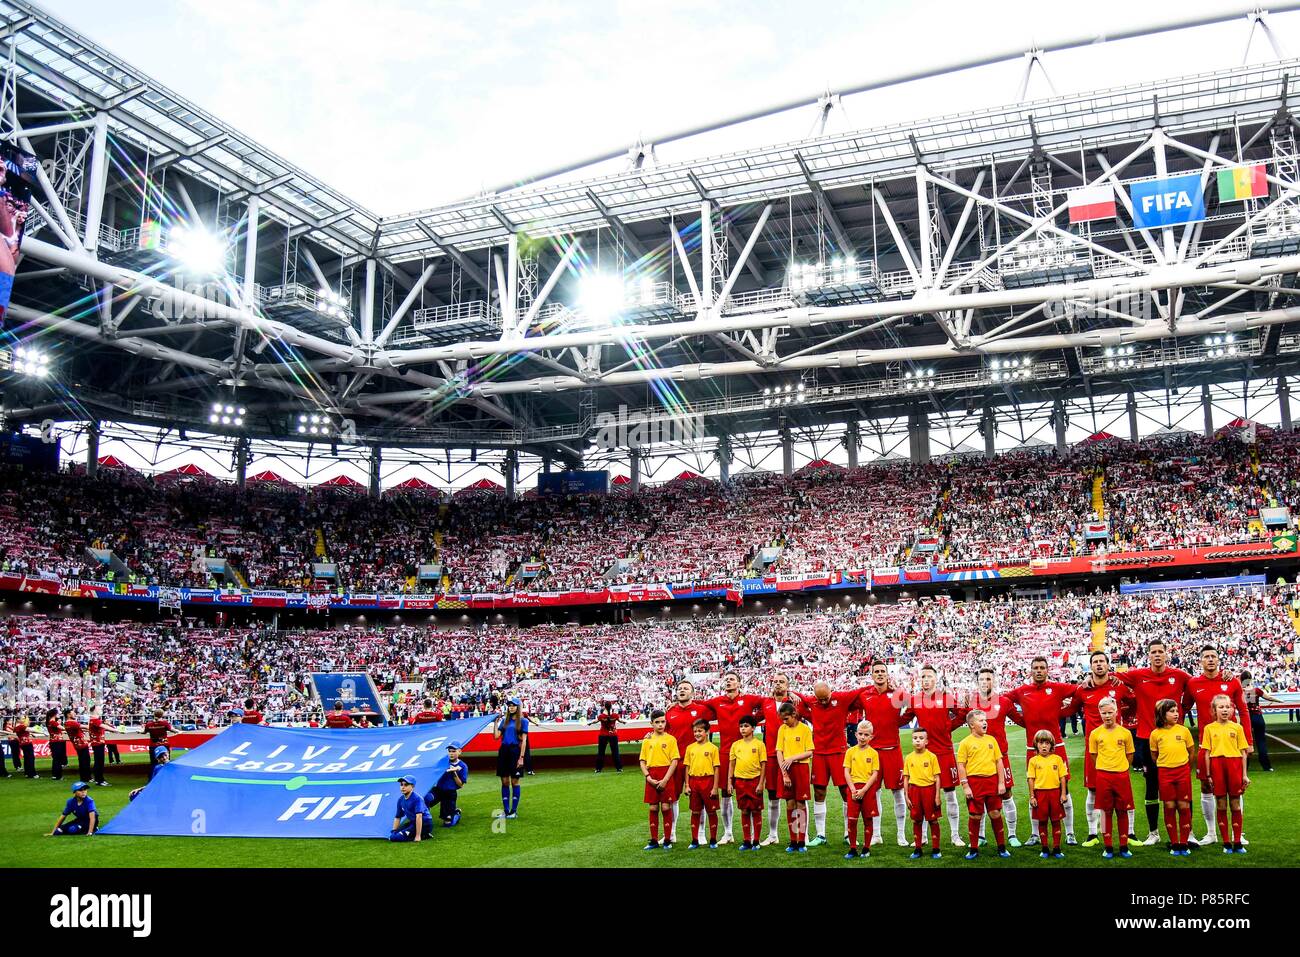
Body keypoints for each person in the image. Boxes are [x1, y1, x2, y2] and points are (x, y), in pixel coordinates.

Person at [1111, 638, 1192, 844]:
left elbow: (1196, 686)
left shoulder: (1179, 675)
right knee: (1152, 786)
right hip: (1147, 738)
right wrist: (1088, 679)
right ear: (1149, 655)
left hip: (1174, 739)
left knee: (1182, 787)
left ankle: (1188, 833)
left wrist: (1183, 710)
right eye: (1153, 652)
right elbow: (1110, 675)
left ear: (1166, 654)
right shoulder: (1138, 675)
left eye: (1160, 651)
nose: (1157, 655)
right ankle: (1153, 832)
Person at [1183, 646, 1253, 846]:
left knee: (1236, 787)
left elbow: (1243, 710)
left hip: (1230, 743)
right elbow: (1183, 707)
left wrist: (1248, 741)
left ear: (1219, 660)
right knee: (1206, 785)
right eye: (1206, 657)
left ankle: (1237, 834)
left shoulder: (1231, 680)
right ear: (1201, 661)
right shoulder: (1193, 683)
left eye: (1213, 656)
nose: (1210, 660)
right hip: (1207, 743)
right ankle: (1211, 833)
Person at [1008, 656, 1079, 845]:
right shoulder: (1022, 691)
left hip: (1057, 749)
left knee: (1065, 788)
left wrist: (1064, 712)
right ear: (1030, 671)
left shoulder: (1057, 688)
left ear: (1047, 670)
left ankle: (1070, 832)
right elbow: (1004, 701)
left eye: (1042, 667)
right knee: (1035, 790)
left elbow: (1079, 693)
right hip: (1032, 748)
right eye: (1035, 668)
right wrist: (1021, 720)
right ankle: (1034, 834)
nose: (1039, 670)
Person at [1072, 650, 1135, 846]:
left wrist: (1125, 717)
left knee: (1125, 792)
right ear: (1090, 667)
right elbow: (1071, 707)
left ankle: (1130, 833)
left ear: (1108, 665)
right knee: (1092, 791)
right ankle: (1093, 833)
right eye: (1095, 662)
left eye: (1102, 661)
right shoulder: (1083, 689)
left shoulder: (1118, 686)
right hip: (1095, 750)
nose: (1099, 664)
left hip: (1117, 749)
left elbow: (1134, 703)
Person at [961, 667, 1025, 847]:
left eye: (988, 679)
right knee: (978, 799)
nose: (985, 682)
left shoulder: (1003, 701)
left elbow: (1021, 720)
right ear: (977, 682)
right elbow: (958, 719)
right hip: (976, 761)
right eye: (982, 679)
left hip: (1000, 758)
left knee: (1007, 794)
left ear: (993, 681)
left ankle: (1011, 835)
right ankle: (980, 836)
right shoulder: (970, 702)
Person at [795, 679, 860, 847]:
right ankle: (821, 835)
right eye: (820, 699)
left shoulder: (841, 698)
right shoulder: (813, 703)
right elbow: (801, 702)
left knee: (845, 791)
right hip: (819, 753)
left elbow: (860, 692)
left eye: (826, 698)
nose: (823, 702)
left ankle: (848, 833)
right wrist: (793, 694)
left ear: (831, 692)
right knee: (819, 792)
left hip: (838, 752)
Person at [702, 671, 761, 846]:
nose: (729, 681)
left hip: (747, 752)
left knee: (749, 792)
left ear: (739, 683)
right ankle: (728, 832)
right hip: (726, 753)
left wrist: (755, 720)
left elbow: (768, 703)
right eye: (726, 679)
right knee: (726, 793)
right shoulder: (717, 701)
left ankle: (753, 835)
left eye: (732, 679)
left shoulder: (749, 699)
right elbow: (698, 705)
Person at [859, 660, 915, 846]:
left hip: (892, 751)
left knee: (898, 793)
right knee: (874, 793)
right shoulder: (865, 695)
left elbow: (913, 702)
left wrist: (898, 720)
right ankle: (876, 834)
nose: (880, 674)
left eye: (883, 671)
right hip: (872, 752)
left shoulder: (896, 694)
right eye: (877, 672)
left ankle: (901, 834)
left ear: (887, 674)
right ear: (872, 675)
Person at [911, 665, 965, 847]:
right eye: (923, 676)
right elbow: (903, 719)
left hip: (945, 753)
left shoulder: (946, 697)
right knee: (925, 796)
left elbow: (963, 714)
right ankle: (923, 837)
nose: (925, 679)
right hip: (924, 756)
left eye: (928, 676)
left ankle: (955, 835)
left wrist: (949, 727)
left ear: (935, 679)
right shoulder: (915, 700)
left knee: (950, 795)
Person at [664, 680, 715, 845]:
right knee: (673, 798)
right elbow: (663, 732)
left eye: (686, 688)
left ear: (692, 693)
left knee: (699, 799)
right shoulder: (670, 711)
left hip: (697, 761)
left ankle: (700, 833)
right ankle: (671, 833)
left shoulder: (701, 710)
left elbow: (719, 710)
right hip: (675, 761)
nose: (682, 690)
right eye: (679, 688)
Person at [956, 709, 1010, 859]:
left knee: (995, 813)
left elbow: (999, 761)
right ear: (972, 724)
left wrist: (1001, 783)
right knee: (975, 815)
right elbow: (961, 765)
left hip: (992, 781)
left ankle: (1001, 847)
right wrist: (965, 785)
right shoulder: (965, 743)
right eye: (980, 720)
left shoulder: (991, 740)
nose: (984, 722)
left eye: (985, 720)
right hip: (974, 782)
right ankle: (973, 848)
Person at [756, 671, 801, 846]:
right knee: (773, 794)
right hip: (771, 755)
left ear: (788, 685)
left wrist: (796, 694)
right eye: (775, 681)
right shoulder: (765, 703)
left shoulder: (794, 702)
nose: (778, 684)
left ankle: (799, 837)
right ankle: (773, 834)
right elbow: (753, 717)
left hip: (792, 756)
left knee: (796, 797)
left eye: (782, 681)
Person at [1201, 694, 1250, 854]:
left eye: (1227, 707)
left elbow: (1243, 752)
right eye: (1221, 707)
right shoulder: (1209, 728)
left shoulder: (1237, 727)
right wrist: (1208, 774)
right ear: (1214, 710)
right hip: (1217, 766)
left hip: (1234, 765)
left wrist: (1244, 774)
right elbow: (1207, 753)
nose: (1224, 710)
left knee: (1235, 802)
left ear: (1231, 709)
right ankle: (1226, 842)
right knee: (1221, 803)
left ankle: (1237, 841)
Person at [1089, 698, 1135, 859]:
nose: (1107, 716)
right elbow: (1094, 755)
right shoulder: (1095, 734)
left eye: (1110, 712)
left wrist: (1121, 767)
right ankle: (1108, 847)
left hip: (1121, 776)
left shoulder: (1125, 733)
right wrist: (1105, 767)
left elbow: (1130, 754)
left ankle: (1123, 846)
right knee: (1106, 812)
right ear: (1099, 714)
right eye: (1104, 713)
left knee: (1122, 811)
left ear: (1116, 712)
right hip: (1103, 776)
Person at [1149, 698, 1195, 857]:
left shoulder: (1184, 731)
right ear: (1162, 714)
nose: (1176, 714)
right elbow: (1154, 755)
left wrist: (1183, 765)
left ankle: (1184, 843)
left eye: (1177, 711)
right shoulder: (1155, 734)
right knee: (1169, 806)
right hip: (1164, 773)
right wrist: (1166, 764)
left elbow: (1191, 751)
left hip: (1182, 771)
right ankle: (1174, 843)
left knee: (1183, 806)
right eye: (1172, 711)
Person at [775, 700, 813, 853]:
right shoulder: (782, 729)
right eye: (782, 719)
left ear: (794, 715)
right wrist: (784, 773)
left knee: (800, 805)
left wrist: (792, 758)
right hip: (786, 769)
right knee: (790, 804)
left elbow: (810, 751)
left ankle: (802, 840)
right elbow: (779, 751)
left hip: (801, 768)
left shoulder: (805, 729)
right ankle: (793, 841)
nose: (784, 722)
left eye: (786, 718)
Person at [638, 709, 680, 850]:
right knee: (653, 807)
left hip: (666, 775)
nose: (660, 724)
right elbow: (642, 761)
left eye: (663, 722)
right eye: (657, 722)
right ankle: (654, 840)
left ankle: (667, 840)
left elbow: (674, 761)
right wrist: (648, 777)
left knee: (666, 806)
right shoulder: (646, 741)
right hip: (652, 775)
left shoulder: (671, 739)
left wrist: (666, 779)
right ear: (651, 724)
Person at [1026, 729, 1068, 859]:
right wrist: (1032, 796)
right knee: (1042, 822)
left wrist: (1063, 794)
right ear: (1036, 745)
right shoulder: (1033, 761)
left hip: (1055, 794)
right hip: (1040, 794)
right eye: (1041, 743)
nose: (1044, 746)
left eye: (1047, 743)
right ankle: (1044, 848)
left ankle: (1056, 848)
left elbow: (1062, 778)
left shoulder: (1058, 759)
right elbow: (1031, 779)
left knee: (1056, 821)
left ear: (1051, 745)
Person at [842, 719, 880, 859]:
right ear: (856, 734)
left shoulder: (874, 753)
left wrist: (863, 790)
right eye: (860, 734)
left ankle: (866, 848)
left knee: (867, 819)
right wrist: (852, 789)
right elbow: (846, 771)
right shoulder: (850, 752)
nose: (863, 737)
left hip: (867, 789)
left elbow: (875, 774)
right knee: (852, 819)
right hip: (853, 788)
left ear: (871, 737)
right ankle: (852, 848)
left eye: (866, 735)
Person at [902, 728, 942, 860]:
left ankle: (936, 849)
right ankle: (918, 848)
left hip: (929, 791)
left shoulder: (932, 757)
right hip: (914, 791)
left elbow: (937, 778)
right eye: (915, 738)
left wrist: (937, 796)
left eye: (921, 738)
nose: (917, 740)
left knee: (933, 820)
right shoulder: (908, 757)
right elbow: (906, 778)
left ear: (926, 741)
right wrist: (906, 796)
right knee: (916, 820)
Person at [728, 715, 765, 852]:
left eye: (746, 726)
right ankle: (746, 841)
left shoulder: (759, 745)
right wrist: (729, 782)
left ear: (753, 728)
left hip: (754, 781)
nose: (743, 729)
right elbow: (731, 765)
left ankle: (756, 840)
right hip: (740, 782)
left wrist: (761, 783)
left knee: (756, 810)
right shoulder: (735, 745)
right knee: (744, 810)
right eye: (741, 726)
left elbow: (763, 765)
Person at [683, 718, 721, 849]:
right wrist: (687, 785)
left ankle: (713, 840)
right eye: (695, 731)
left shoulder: (713, 748)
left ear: (707, 731)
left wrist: (715, 787)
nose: (697, 734)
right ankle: (694, 840)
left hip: (708, 781)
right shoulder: (690, 748)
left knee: (711, 812)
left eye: (700, 731)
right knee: (695, 812)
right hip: (694, 782)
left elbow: (716, 768)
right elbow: (687, 767)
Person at [493, 698, 529, 820]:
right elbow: (496, 736)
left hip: (515, 752)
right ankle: (506, 811)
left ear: (518, 707)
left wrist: (521, 757)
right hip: (504, 751)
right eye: (509, 706)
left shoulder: (523, 721)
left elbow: (524, 740)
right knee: (504, 782)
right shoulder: (505, 720)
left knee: (514, 782)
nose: (511, 707)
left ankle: (514, 811)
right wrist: (495, 723)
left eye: (513, 705)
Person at [1240, 670, 1280, 772]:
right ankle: (1266, 766)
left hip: (1246, 718)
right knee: (1261, 741)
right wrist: (1279, 701)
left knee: (1244, 743)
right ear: (1250, 678)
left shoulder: (1240, 691)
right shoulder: (1256, 690)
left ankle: (1245, 767)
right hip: (1257, 717)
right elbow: (1269, 697)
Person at [424, 742, 467, 826]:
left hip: (450, 793)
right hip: (438, 790)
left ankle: (456, 813)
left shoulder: (463, 766)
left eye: (454, 751)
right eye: (449, 751)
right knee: (425, 800)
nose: (451, 753)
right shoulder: (443, 762)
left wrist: (454, 772)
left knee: (448, 823)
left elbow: (460, 785)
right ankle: (424, 819)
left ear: (459, 752)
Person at [389, 774, 431, 842]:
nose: (403, 787)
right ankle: (423, 834)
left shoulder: (417, 799)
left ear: (412, 787)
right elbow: (398, 817)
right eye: (401, 785)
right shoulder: (400, 800)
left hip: (425, 824)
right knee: (393, 835)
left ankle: (424, 835)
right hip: (413, 822)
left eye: (406, 785)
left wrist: (418, 836)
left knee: (395, 838)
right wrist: (393, 831)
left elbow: (419, 817)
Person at [589, 701, 622, 773]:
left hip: (603, 735)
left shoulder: (601, 716)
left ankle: (598, 769)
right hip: (613, 735)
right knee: (615, 752)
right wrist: (625, 722)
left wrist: (590, 723)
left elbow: (595, 721)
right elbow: (621, 721)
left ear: (604, 707)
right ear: (611, 707)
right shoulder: (615, 715)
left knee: (601, 752)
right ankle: (619, 768)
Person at [65, 712, 90, 783]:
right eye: (73, 713)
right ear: (68, 714)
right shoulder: (72, 722)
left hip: (76, 744)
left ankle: (84, 777)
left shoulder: (67, 723)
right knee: (85, 761)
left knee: (82, 761)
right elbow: (86, 727)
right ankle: (86, 777)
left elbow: (80, 729)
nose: (75, 714)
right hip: (81, 743)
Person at [88, 706, 109, 786]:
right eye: (99, 709)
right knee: (99, 762)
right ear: (95, 710)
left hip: (97, 743)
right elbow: (103, 726)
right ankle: (100, 780)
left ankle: (99, 779)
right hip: (98, 743)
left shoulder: (93, 720)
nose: (101, 710)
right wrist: (116, 730)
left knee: (99, 762)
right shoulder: (95, 720)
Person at [45, 708, 67, 780]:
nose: (59, 715)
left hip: (54, 741)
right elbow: (63, 728)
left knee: (56, 759)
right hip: (57, 742)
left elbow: (59, 730)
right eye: (57, 713)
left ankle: (55, 775)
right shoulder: (53, 722)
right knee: (58, 759)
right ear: (54, 715)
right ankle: (58, 775)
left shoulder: (50, 722)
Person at [13, 713, 36, 778]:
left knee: (26, 758)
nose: (24, 719)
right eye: (22, 718)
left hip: (22, 743)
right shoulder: (21, 726)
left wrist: (30, 733)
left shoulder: (17, 727)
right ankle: (32, 774)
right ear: (18, 720)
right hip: (27, 743)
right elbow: (30, 729)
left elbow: (24, 731)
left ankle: (27, 773)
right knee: (30, 758)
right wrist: (38, 730)